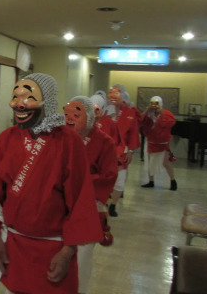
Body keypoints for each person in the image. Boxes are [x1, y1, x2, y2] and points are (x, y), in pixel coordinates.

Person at [0, 73, 102, 294]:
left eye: (28, 96)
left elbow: (80, 199)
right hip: (13, 244)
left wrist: (68, 251)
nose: (18, 104)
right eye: (15, 96)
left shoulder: (69, 142)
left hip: (54, 248)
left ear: (48, 100)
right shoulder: (7, 138)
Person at [64, 96, 118, 294]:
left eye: (76, 115)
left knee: (81, 261)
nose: (70, 119)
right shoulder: (62, 138)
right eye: (67, 114)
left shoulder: (105, 142)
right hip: (60, 205)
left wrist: (79, 182)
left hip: (88, 205)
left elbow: (108, 176)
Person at [104, 84, 140, 217]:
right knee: (105, 178)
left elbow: (133, 133)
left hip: (122, 151)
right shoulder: (104, 111)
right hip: (105, 151)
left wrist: (131, 151)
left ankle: (113, 205)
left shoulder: (129, 113)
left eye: (117, 94)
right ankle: (105, 201)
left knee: (120, 179)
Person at [140, 96, 177, 190]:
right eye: (152, 103)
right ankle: (151, 181)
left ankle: (173, 181)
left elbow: (170, 123)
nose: (154, 106)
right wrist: (147, 110)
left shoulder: (167, 114)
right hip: (151, 141)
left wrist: (162, 113)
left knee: (166, 162)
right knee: (149, 162)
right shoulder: (149, 114)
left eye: (156, 104)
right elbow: (140, 120)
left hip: (162, 143)